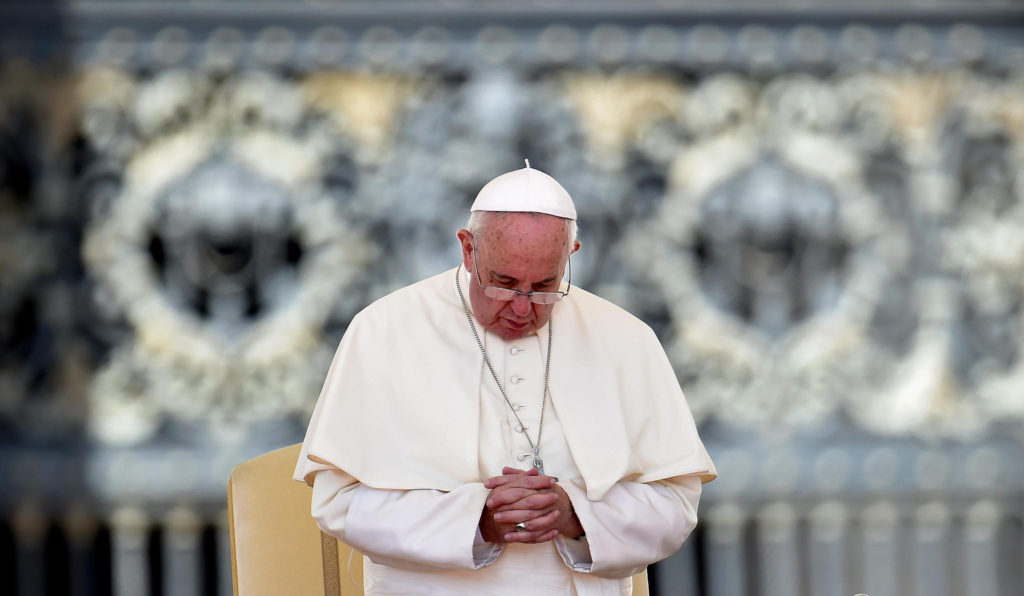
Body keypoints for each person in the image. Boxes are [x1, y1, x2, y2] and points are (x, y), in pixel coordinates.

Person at [294, 163, 716, 595]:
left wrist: (574, 515)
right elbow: (337, 504)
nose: (521, 307)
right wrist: (475, 521)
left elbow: (675, 506)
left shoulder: (625, 338)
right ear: (468, 250)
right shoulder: (382, 330)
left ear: (571, 254)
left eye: (545, 285)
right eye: (504, 282)